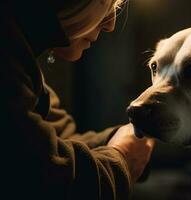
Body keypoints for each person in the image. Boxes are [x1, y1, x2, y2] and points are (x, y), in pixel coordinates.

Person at [0, 0, 154, 199]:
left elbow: (56, 137)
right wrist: (122, 157)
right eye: (104, 3)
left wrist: (115, 137)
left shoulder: (20, 60)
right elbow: (43, 181)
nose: (110, 24)